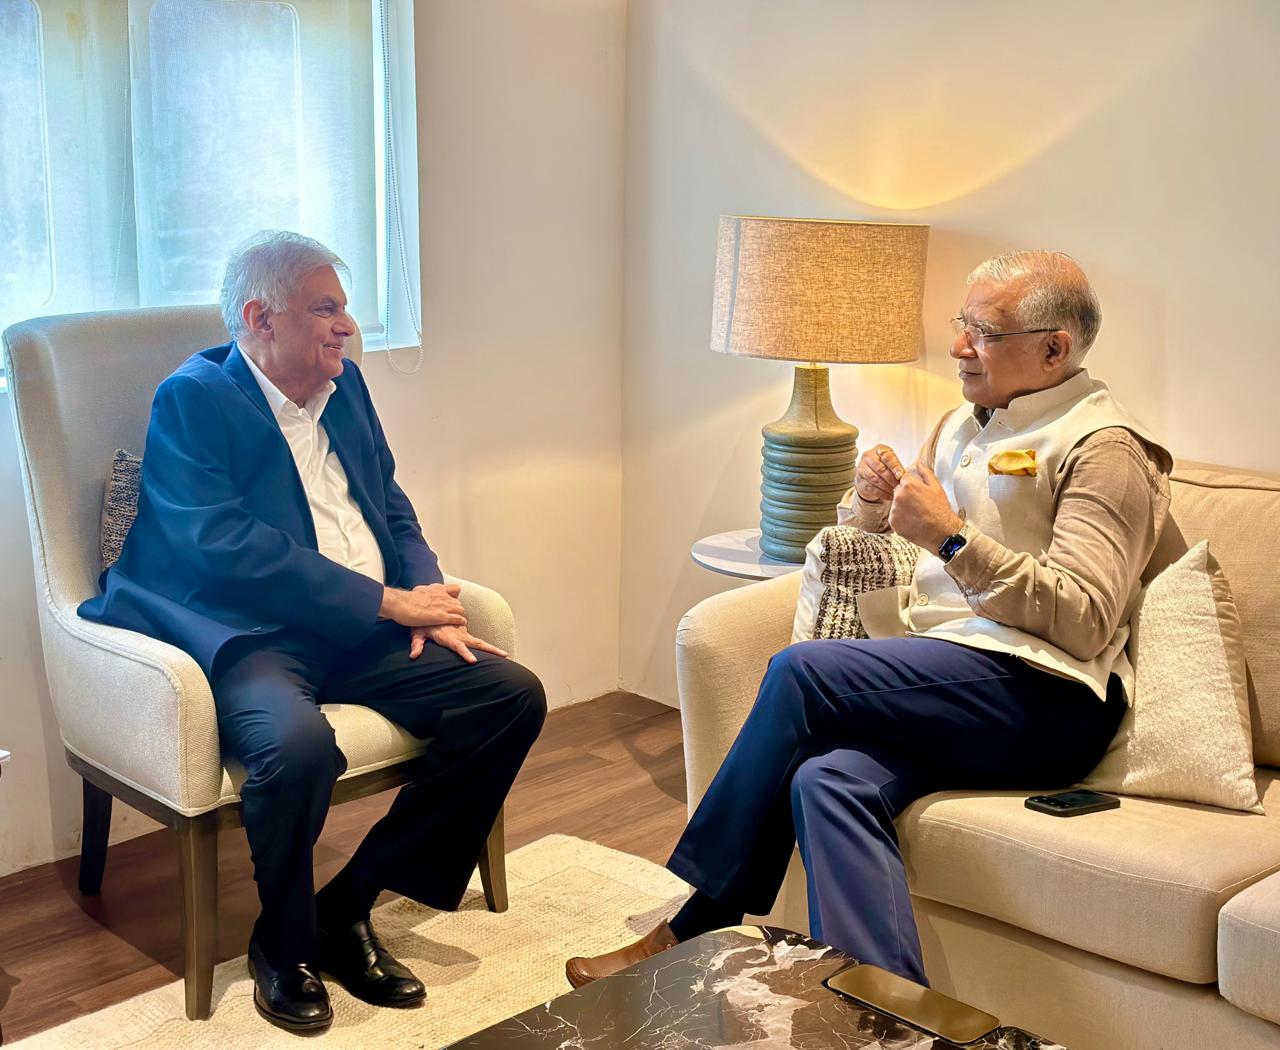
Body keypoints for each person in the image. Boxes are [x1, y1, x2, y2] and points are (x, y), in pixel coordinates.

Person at [565, 250, 1172, 988]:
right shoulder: (961, 425)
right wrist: (870, 502)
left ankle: (693, 922)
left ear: (1054, 349)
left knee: (803, 673)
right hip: (949, 681)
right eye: (962, 323)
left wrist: (952, 538)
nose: (958, 346)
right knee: (826, 781)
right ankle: (886, 1013)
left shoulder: (1106, 450)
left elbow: (1084, 617)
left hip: (1047, 699)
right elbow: (888, 536)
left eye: (983, 332)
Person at [80, 231, 546, 1031]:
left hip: (360, 627)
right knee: (294, 750)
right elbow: (223, 546)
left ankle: (349, 903)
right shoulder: (194, 398)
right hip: (252, 633)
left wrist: (426, 590)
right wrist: (387, 603)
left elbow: (390, 503)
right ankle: (285, 943)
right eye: (325, 309)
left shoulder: (347, 386)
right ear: (260, 318)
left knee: (509, 696)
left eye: (344, 308)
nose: (346, 325)